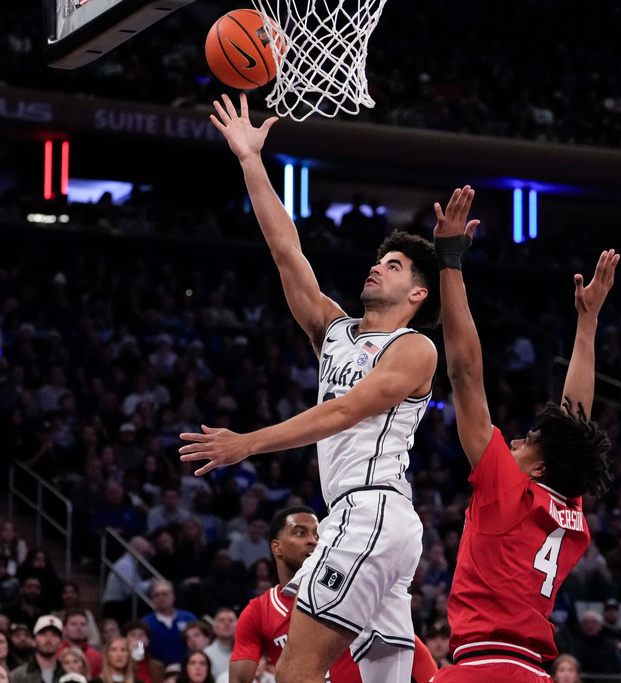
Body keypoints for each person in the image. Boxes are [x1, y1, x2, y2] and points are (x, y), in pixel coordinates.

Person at [184, 93, 441, 683]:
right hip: (374, 520)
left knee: (296, 667)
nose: (379, 266)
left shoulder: (414, 348)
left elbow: (347, 410)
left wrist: (248, 443)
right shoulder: (335, 331)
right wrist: (251, 160)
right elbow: (285, 250)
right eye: (381, 261)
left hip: (371, 509)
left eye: (396, 266)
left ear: (418, 295)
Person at [430, 186, 616, 681]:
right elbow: (574, 422)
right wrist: (587, 323)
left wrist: (449, 259)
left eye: (527, 440)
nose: (513, 440)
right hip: (533, 671)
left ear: (540, 465)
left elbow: (465, 372)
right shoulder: (569, 509)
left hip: (482, 668)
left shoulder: (505, 490)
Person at [229, 506, 437, 683]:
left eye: (318, 535)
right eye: (300, 533)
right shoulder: (258, 612)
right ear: (277, 547)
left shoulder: (353, 591)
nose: (313, 541)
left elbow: (411, 649)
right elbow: (239, 679)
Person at [141, 582, 197, 667]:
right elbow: (140, 649)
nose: (161, 598)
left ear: (173, 596)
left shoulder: (189, 618)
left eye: (165, 594)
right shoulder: (145, 623)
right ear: (152, 599)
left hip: (188, 667)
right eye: (157, 595)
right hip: (158, 671)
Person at [11, 616, 66, 683]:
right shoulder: (18, 676)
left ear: (60, 642)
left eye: (54, 635)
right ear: (33, 640)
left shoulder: (68, 675)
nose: (48, 639)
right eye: (43, 634)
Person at [60, 611, 103, 677]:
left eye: (82, 624)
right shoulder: (57, 654)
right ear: (64, 628)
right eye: (73, 624)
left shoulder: (96, 656)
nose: (78, 628)